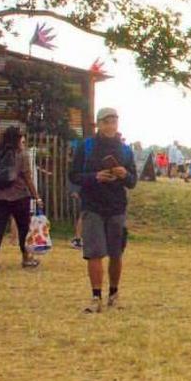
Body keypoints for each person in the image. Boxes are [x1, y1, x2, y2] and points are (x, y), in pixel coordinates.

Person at [70, 107, 138, 313]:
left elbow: (133, 182)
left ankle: (114, 294)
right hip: (92, 205)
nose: (110, 126)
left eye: (114, 122)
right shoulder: (86, 147)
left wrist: (124, 174)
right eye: (106, 122)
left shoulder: (126, 150)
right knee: (94, 253)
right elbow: (73, 175)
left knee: (116, 253)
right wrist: (95, 177)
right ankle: (96, 296)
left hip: (117, 206)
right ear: (98, 124)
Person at [0, 126, 43, 270]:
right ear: (17, 138)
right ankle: (26, 258)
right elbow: (27, 177)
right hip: (19, 196)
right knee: (24, 227)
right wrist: (36, 197)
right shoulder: (22, 154)